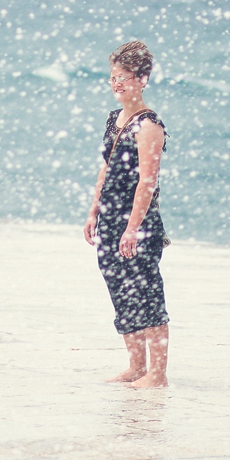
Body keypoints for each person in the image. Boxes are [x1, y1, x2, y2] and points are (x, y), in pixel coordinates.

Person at [83, 40, 170, 388]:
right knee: (119, 288)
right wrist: (94, 211)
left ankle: (157, 374)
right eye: (113, 77)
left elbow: (147, 182)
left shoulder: (149, 126)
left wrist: (132, 228)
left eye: (124, 77)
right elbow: (106, 169)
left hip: (139, 224)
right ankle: (136, 366)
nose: (116, 83)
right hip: (110, 218)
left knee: (147, 292)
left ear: (142, 79)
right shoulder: (114, 119)